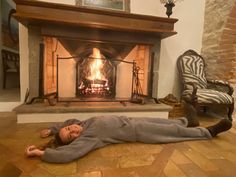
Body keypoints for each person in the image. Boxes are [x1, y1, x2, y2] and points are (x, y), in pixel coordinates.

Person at [25, 111, 232, 164]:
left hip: (129, 119)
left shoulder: (80, 122)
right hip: (136, 132)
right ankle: (209, 132)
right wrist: (40, 152)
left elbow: (67, 120)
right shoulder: (89, 137)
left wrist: (53, 130)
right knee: (171, 134)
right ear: (75, 141)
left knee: (165, 123)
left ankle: (187, 121)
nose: (73, 130)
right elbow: (66, 155)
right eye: (71, 136)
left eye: (70, 129)